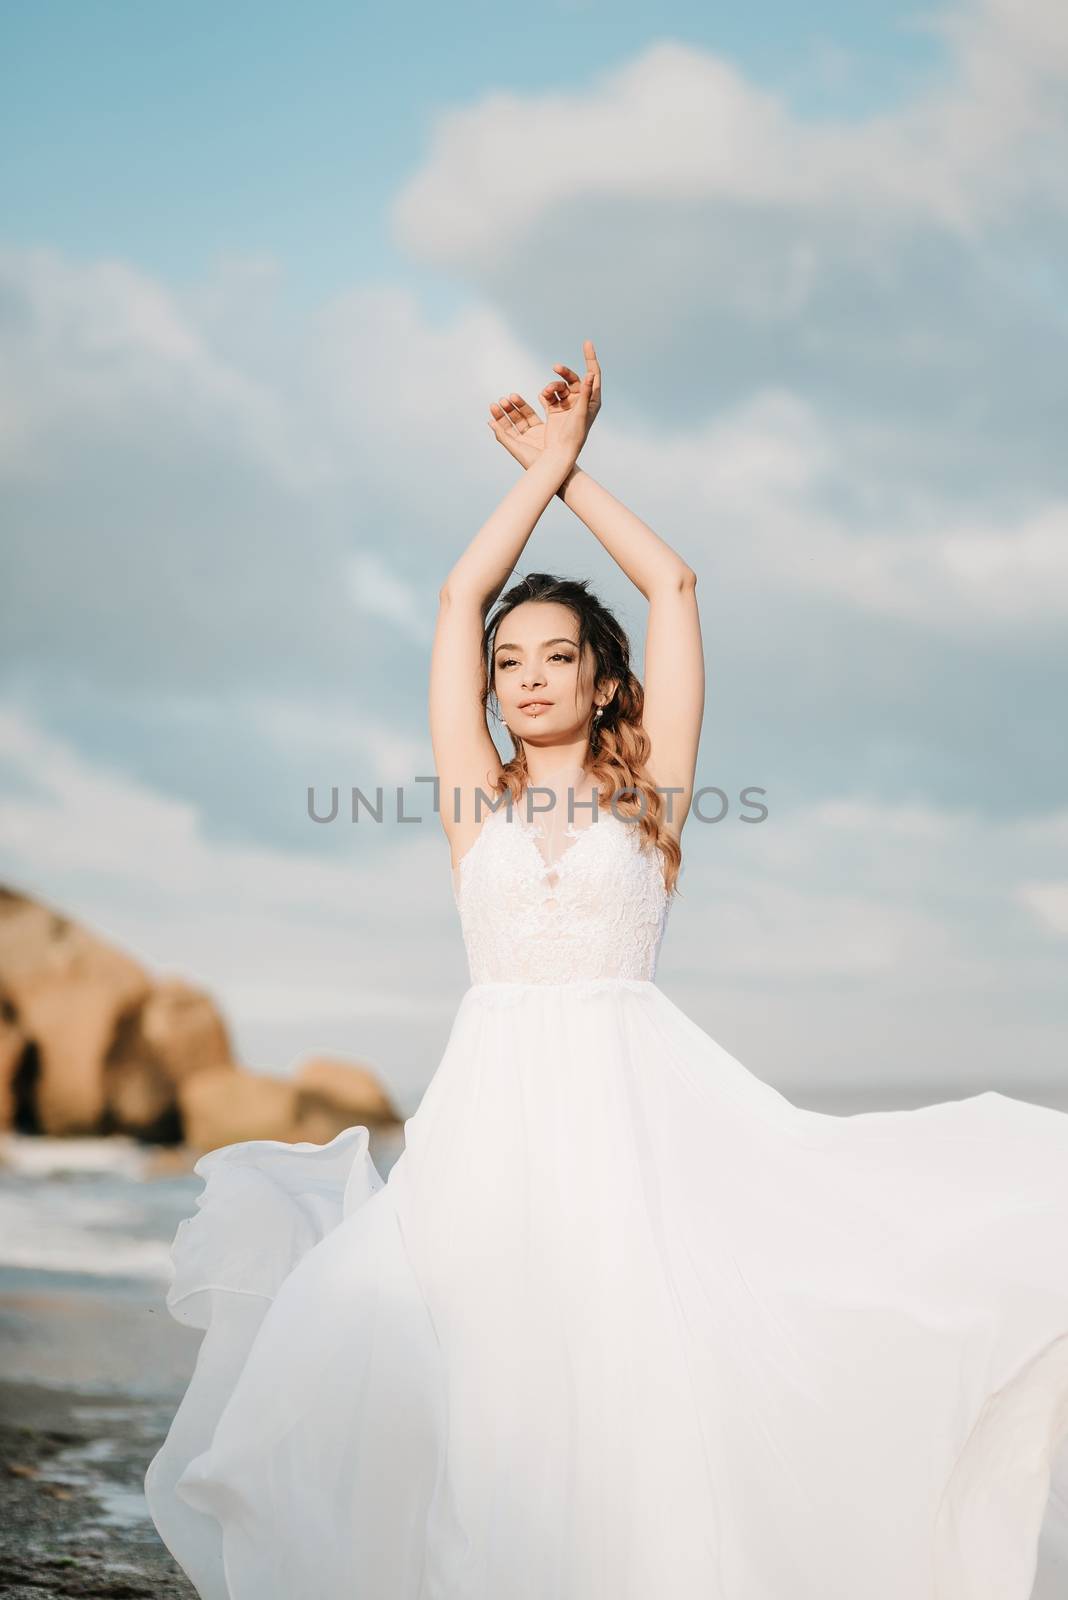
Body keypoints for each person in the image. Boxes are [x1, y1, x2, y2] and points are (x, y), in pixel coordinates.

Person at [145, 342, 1068, 1600]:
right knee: (488, 1381)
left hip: (641, 1127)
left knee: (643, 1383)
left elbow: (675, 582)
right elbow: (456, 593)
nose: (525, 679)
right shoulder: (472, 797)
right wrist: (542, 469)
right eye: (509, 662)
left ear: (603, 677)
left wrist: (576, 474)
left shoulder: (658, 801)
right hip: (493, 1128)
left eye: (555, 658)